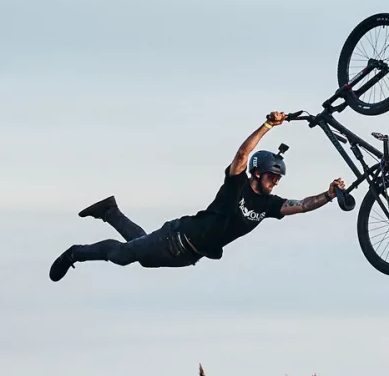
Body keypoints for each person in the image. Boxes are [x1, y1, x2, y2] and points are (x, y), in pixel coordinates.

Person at [51, 111, 346, 281]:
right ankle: (75, 252)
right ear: (258, 172)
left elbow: (303, 206)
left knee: (138, 250)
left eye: (278, 179)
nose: (275, 182)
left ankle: (110, 212)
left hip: (189, 255)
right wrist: (267, 125)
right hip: (177, 238)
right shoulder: (237, 185)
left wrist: (329, 194)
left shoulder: (269, 205)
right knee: (124, 256)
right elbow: (243, 153)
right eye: (272, 176)